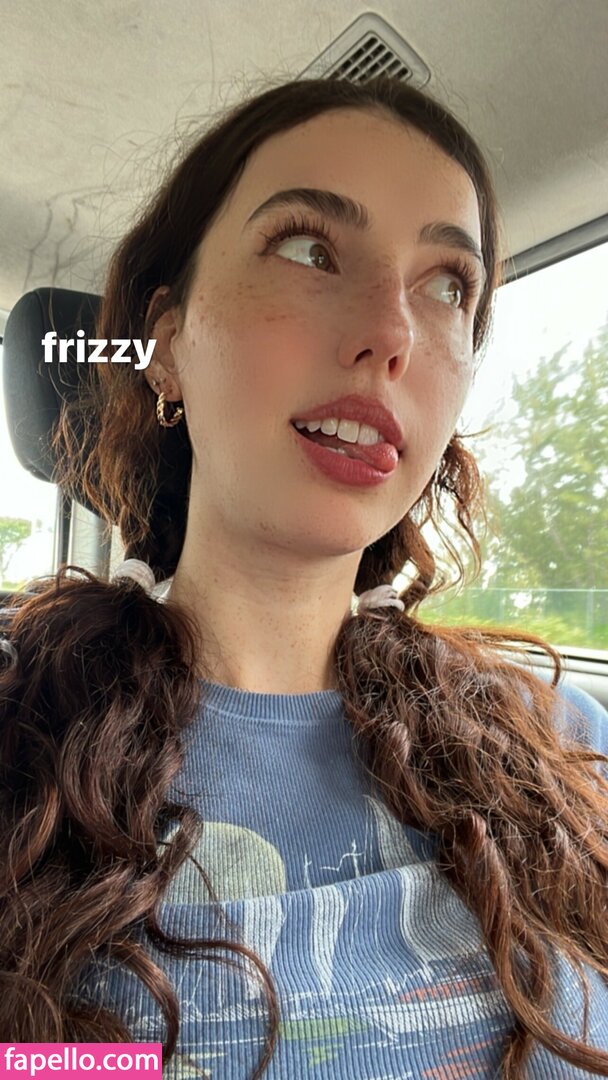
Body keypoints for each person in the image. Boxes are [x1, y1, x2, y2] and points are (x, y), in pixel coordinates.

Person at [0, 75, 607, 1080]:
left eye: (447, 285)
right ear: (166, 343)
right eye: (308, 249)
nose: (391, 334)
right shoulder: (20, 731)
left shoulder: (563, 748)